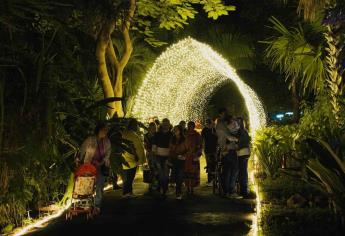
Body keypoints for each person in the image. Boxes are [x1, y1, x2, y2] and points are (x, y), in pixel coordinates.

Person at [79, 122, 111, 215]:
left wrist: (102, 162)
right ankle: (88, 204)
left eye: (106, 130)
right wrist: (79, 159)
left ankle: (97, 206)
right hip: (89, 166)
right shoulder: (90, 140)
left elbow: (108, 153)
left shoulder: (107, 141)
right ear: (98, 130)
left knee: (99, 186)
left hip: (101, 167)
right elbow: (82, 149)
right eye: (103, 130)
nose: (105, 132)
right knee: (88, 185)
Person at [121, 119, 146, 198]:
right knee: (129, 178)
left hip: (126, 159)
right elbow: (134, 147)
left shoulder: (126, 133)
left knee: (128, 178)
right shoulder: (130, 134)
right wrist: (138, 157)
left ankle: (128, 192)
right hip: (130, 160)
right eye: (136, 125)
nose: (137, 127)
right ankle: (126, 193)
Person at [152, 118, 172, 197]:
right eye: (164, 124)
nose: (165, 125)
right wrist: (154, 156)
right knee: (161, 174)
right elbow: (154, 146)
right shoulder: (157, 134)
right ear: (162, 125)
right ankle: (162, 188)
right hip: (158, 156)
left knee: (166, 174)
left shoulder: (171, 134)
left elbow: (173, 147)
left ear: (169, 125)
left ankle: (164, 188)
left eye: (167, 124)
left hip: (167, 157)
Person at [222, 116, 241, 199]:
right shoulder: (229, 130)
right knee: (233, 172)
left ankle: (226, 191)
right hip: (231, 152)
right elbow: (231, 138)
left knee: (227, 172)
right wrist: (236, 140)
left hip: (226, 153)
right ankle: (231, 191)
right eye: (233, 122)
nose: (235, 124)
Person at [169, 125, 187, 200]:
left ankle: (178, 192)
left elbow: (187, 149)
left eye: (176, 129)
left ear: (180, 130)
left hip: (182, 160)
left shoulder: (184, 139)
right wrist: (175, 156)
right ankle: (178, 191)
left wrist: (184, 155)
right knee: (176, 175)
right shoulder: (172, 139)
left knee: (179, 176)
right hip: (174, 159)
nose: (175, 131)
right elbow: (170, 150)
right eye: (174, 129)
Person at [184, 121, 202, 195]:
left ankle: (191, 188)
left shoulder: (197, 135)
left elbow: (200, 145)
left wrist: (197, 154)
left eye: (192, 126)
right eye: (189, 126)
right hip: (187, 157)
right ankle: (188, 187)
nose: (191, 127)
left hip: (193, 156)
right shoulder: (185, 134)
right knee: (187, 172)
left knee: (193, 173)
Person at [236, 117, 251, 198]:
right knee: (244, 171)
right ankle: (244, 189)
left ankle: (242, 190)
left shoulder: (239, 131)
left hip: (241, 153)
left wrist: (236, 148)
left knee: (241, 171)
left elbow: (240, 143)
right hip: (246, 153)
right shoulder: (245, 131)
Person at [201, 119, 218, 186]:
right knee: (209, 165)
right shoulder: (204, 130)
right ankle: (210, 180)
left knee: (214, 164)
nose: (209, 125)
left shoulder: (214, 129)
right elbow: (202, 139)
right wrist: (202, 148)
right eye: (207, 123)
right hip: (207, 150)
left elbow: (218, 137)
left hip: (214, 150)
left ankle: (214, 180)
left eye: (210, 123)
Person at [144, 122, 158, 192]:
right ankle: (151, 184)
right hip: (150, 155)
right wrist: (150, 151)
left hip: (156, 154)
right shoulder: (146, 135)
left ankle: (155, 183)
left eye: (154, 128)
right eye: (152, 128)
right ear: (149, 128)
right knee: (151, 169)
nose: (153, 129)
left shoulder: (157, 135)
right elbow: (145, 145)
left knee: (156, 169)